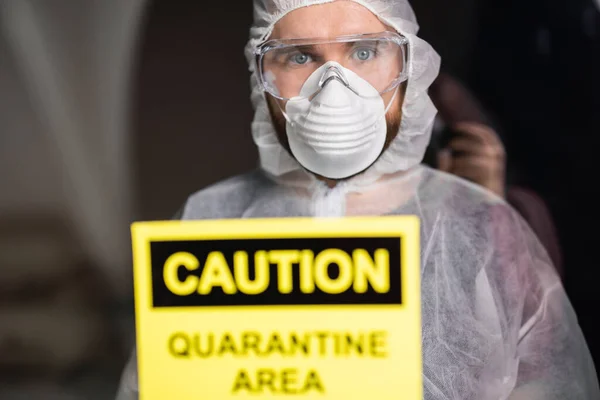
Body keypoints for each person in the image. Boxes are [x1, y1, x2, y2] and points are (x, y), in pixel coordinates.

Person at [115, 1, 599, 398]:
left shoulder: (478, 223)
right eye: (298, 57)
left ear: (408, 65)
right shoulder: (205, 224)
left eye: (365, 52)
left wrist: (484, 221)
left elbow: (548, 384)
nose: (333, 87)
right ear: (261, 75)